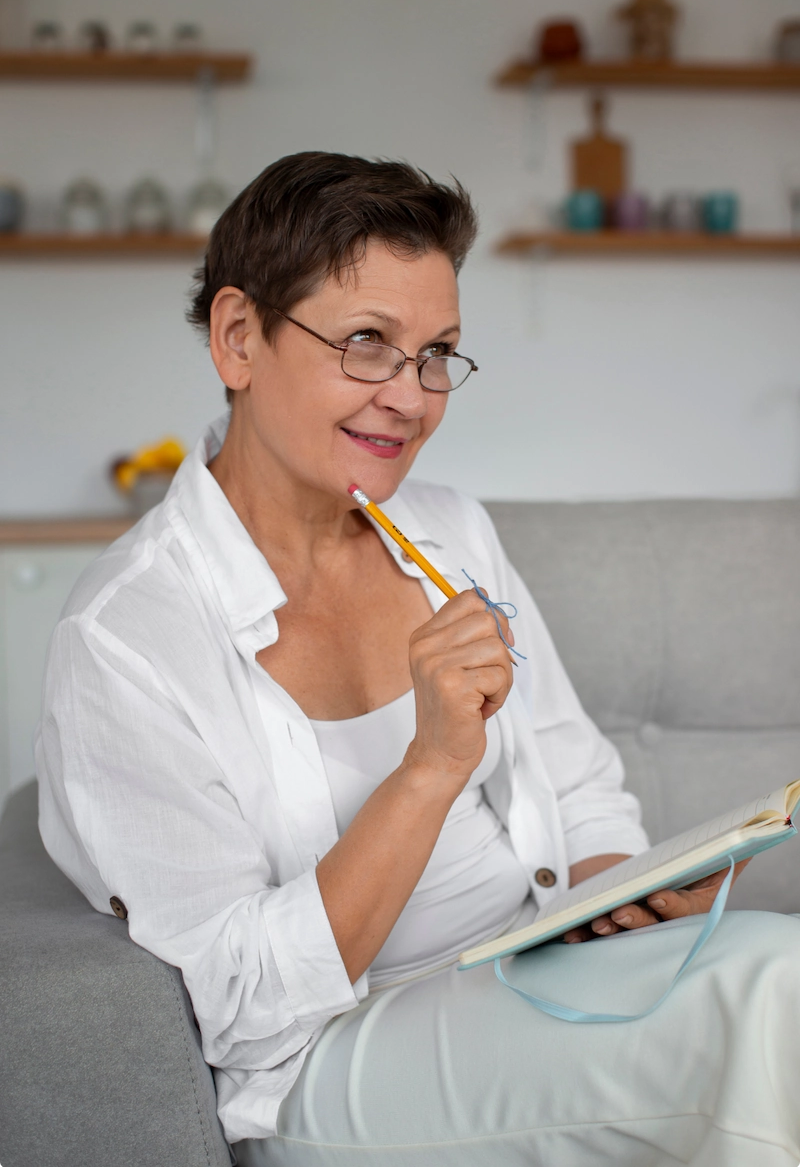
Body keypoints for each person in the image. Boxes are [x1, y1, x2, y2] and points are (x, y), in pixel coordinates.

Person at [37, 153, 800, 1166]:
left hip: (532, 969)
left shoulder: (450, 533)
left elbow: (576, 782)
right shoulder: (126, 641)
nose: (411, 397)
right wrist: (430, 767)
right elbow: (238, 1006)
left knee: (772, 966)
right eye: (367, 344)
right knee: (765, 994)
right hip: (334, 1055)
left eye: (436, 353)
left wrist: (624, 889)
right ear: (237, 338)